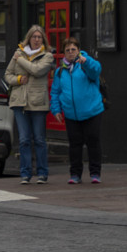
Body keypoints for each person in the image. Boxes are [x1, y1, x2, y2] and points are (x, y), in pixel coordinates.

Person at [50, 36, 104, 185]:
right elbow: (55, 92)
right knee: (74, 144)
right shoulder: (60, 72)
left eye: (73, 49)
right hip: (71, 114)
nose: (70, 52)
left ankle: (95, 173)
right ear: (64, 53)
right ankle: (75, 174)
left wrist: (86, 62)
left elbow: (96, 70)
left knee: (93, 142)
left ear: (79, 50)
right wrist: (56, 110)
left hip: (92, 111)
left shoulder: (85, 65)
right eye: (67, 50)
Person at [4, 24, 54, 184]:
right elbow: (7, 75)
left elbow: (37, 70)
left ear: (43, 39)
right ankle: (25, 174)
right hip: (19, 102)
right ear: (29, 38)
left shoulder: (47, 56)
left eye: (39, 37)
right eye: (34, 37)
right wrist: (18, 79)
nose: (36, 40)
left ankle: (42, 173)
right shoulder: (19, 53)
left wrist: (20, 60)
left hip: (38, 102)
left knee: (39, 139)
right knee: (24, 139)